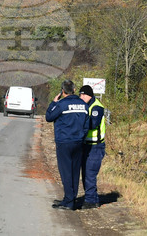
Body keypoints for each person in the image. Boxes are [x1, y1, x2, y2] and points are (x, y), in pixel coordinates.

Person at [45, 79, 89, 210]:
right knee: (75, 171)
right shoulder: (84, 105)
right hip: (78, 142)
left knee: (66, 172)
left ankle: (69, 201)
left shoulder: (61, 104)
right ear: (74, 90)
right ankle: (71, 198)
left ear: (62, 91)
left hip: (64, 142)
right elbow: (86, 125)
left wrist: (53, 102)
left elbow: (49, 117)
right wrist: (81, 136)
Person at [79, 85, 106, 209]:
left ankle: (91, 200)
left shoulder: (97, 107)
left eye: (83, 95)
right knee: (85, 173)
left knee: (90, 173)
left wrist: (79, 123)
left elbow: (93, 124)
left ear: (89, 95)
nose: (81, 97)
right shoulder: (85, 105)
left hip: (95, 146)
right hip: (86, 145)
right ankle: (90, 198)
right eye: (80, 95)